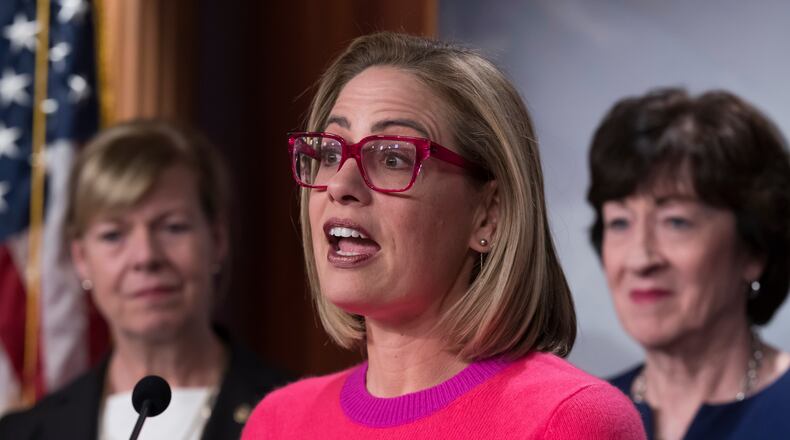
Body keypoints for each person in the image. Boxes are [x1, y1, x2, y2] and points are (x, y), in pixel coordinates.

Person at [242, 32, 645, 439]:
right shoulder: (277, 423)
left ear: (489, 214)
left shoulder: (571, 421)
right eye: (330, 154)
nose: (340, 184)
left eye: (393, 157)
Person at [0, 120, 288, 439]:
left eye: (173, 227)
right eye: (113, 235)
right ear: (81, 259)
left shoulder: (296, 416)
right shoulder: (25, 433)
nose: (145, 257)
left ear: (217, 240)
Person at [587, 88, 790, 440]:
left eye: (675, 222)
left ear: (753, 251)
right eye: (619, 222)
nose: (640, 258)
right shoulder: (582, 420)